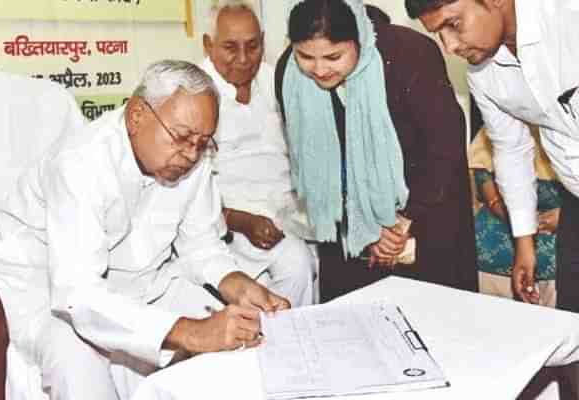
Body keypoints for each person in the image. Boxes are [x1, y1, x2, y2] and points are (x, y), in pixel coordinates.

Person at [0, 60, 289, 400]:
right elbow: (77, 295)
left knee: (239, 335)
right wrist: (192, 333)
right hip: (41, 291)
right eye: (182, 137)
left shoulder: (192, 156)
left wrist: (238, 284)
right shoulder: (81, 162)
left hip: (138, 280)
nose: (191, 154)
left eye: (203, 142)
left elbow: (201, 244)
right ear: (137, 115)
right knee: (77, 359)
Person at [276, 0, 477, 302]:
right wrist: (362, 226)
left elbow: (444, 149)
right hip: (346, 229)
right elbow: (315, 168)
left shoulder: (409, 55)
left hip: (427, 206)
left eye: (334, 56)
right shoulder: (289, 74)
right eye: (305, 56)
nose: (319, 69)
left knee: (434, 323)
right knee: (354, 325)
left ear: (358, 39)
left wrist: (400, 222)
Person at [406, 0, 579, 312]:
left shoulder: (569, 20)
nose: (449, 47)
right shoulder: (483, 72)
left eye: (453, 24)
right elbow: (511, 149)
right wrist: (524, 242)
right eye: (438, 34)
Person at [200, 0, 316, 307]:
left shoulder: (278, 81)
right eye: (230, 47)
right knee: (297, 264)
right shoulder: (196, 93)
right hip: (226, 224)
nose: (243, 59)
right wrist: (240, 221)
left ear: (263, 42)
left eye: (252, 46)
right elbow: (187, 192)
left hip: (289, 217)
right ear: (208, 45)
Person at [469, 127, 560, 307]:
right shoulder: (505, 111)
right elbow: (482, 172)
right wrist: (503, 208)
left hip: (560, 247)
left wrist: (565, 218)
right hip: (497, 235)